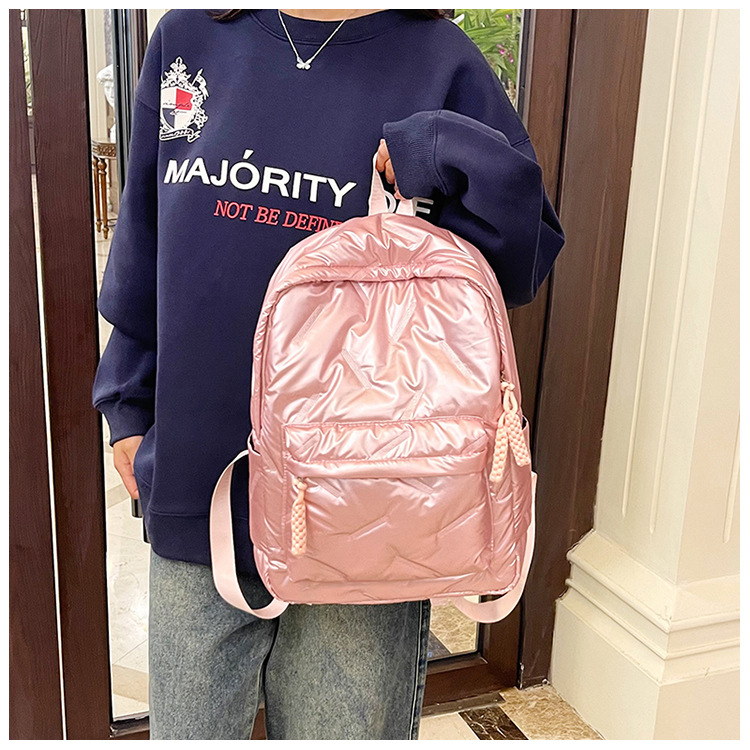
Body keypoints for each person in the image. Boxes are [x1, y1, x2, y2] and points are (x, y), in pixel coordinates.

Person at [92, 8, 565, 740]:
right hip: (203, 477)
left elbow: (522, 256)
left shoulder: (439, 59)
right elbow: (147, 229)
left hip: (373, 499)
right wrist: (127, 400)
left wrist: (440, 149)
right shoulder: (189, 39)